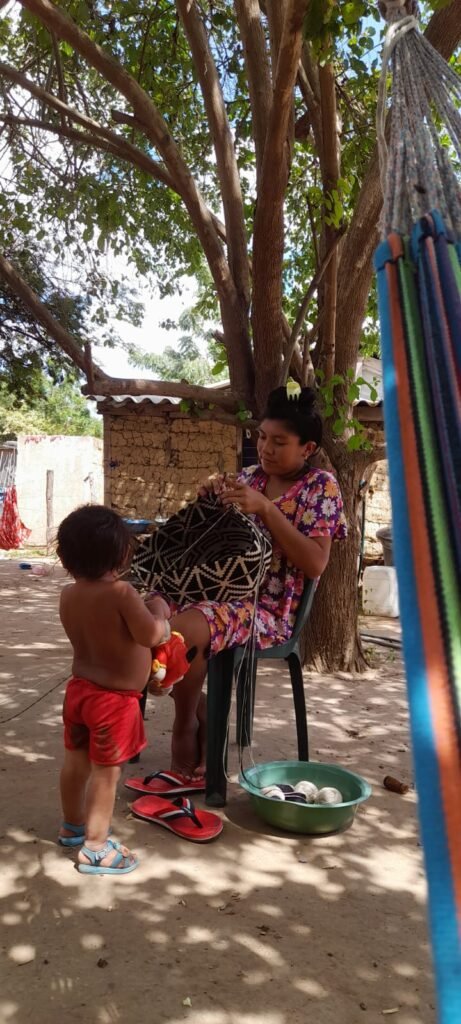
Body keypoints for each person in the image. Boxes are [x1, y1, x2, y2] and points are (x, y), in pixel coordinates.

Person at [146, 385, 347, 785]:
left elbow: (315, 563)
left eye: (279, 442)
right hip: (221, 591)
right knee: (145, 608)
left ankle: (186, 726)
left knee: (190, 626)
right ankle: (204, 712)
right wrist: (208, 500)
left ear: (306, 449)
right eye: (262, 437)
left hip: (270, 611)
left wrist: (268, 510)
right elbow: (214, 539)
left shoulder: (320, 487)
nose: (266, 448)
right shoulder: (250, 477)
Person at [57, 504, 168, 875]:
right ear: (122, 554)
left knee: (76, 763)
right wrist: (161, 613)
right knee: (107, 774)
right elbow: (150, 635)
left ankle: (72, 827)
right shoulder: (121, 593)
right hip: (114, 703)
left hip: (79, 694)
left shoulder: (68, 595)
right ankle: (95, 848)